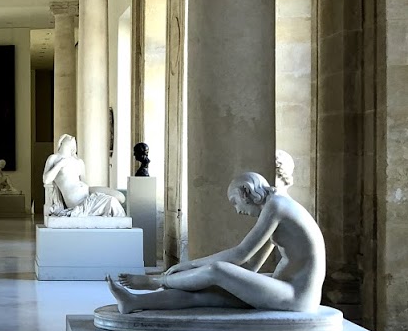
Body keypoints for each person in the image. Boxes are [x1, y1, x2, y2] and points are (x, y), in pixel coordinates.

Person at [107, 171, 325, 315]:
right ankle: (134, 302)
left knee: (217, 270)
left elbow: (241, 254)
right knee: (207, 294)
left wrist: (189, 266)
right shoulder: (276, 206)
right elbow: (251, 266)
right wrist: (202, 279)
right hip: (283, 288)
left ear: (246, 193)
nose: (237, 210)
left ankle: (155, 281)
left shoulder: (276, 206)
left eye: (235, 202)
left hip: (297, 296)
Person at [42, 134, 126, 217]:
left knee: (120, 197)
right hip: (77, 200)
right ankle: (121, 222)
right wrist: (60, 164)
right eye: (68, 137)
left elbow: (83, 182)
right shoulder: (54, 158)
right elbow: (46, 180)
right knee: (112, 201)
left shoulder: (78, 162)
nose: (71, 137)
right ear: (61, 142)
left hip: (87, 192)